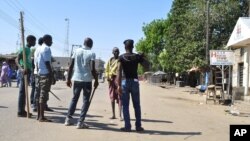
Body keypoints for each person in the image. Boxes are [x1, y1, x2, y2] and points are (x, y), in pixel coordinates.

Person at [64, 37, 99, 129]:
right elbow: (92, 69)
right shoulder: (92, 53)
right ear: (91, 44)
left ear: (83, 43)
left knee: (74, 98)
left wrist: (68, 79)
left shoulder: (76, 51)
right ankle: (80, 122)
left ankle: (68, 119)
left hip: (77, 79)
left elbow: (71, 66)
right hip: (87, 80)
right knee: (86, 101)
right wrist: (96, 80)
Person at [117, 39, 149, 132]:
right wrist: (143, 57)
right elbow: (147, 66)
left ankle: (127, 126)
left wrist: (118, 85)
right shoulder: (137, 56)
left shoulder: (121, 57)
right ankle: (138, 126)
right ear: (133, 47)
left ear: (125, 47)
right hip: (135, 82)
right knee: (137, 105)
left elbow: (118, 71)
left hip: (124, 82)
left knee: (125, 106)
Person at [15, 35, 36, 117]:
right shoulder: (24, 48)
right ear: (30, 41)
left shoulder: (29, 49)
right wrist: (22, 69)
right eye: (34, 41)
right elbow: (16, 60)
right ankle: (20, 111)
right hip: (24, 72)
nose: (35, 43)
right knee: (22, 91)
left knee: (24, 91)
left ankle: (22, 110)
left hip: (28, 71)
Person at [36, 34, 55, 122]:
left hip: (39, 74)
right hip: (45, 74)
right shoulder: (46, 48)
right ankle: (41, 117)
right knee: (43, 96)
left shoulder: (38, 48)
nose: (52, 42)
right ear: (46, 40)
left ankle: (39, 115)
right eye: (51, 40)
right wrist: (52, 75)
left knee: (39, 95)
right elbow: (47, 63)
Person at [105, 47, 122, 120]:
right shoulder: (110, 60)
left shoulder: (120, 60)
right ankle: (113, 114)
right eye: (115, 51)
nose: (116, 52)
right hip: (111, 80)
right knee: (112, 97)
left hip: (118, 79)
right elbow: (107, 70)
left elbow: (121, 71)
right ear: (112, 52)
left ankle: (120, 115)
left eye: (117, 51)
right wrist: (108, 76)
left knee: (120, 97)